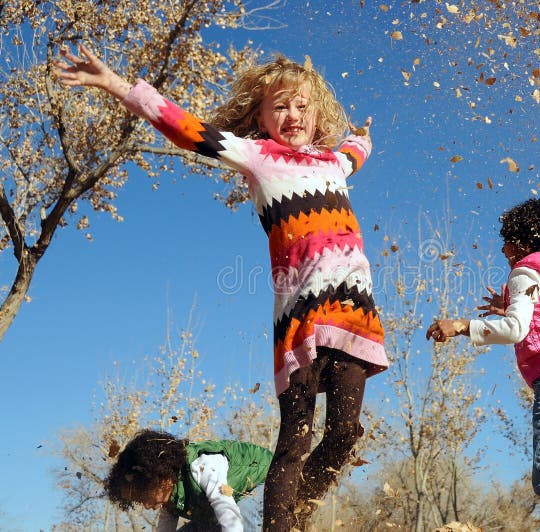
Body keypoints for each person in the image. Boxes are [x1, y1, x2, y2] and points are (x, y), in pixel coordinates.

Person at [55, 45, 389, 531]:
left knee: (344, 434)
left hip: (355, 313)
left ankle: (294, 515)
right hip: (302, 318)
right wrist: (117, 85)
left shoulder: (333, 163)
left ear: (317, 115)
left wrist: (362, 139)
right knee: (295, 440)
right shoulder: (257, 156)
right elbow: (187, 130)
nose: (291, 114)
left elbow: (355, 152)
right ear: (260, 115)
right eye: (279, 106)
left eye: (301, 105)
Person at [426, 197, 540, 532]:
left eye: (507, 242)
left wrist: (461, 326)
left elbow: (516, 330)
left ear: (525, 243)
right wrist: (510, 305)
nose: (503, 251)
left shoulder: (525, 270)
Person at [104, 429, 273, 532]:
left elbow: (230, 516)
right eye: (140, 502)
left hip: (265, 481)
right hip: (230, 505)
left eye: (144, 497)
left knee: (242, 521)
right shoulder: (169, 498)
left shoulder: (202, 467)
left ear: (159, 479)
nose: (147, 506)